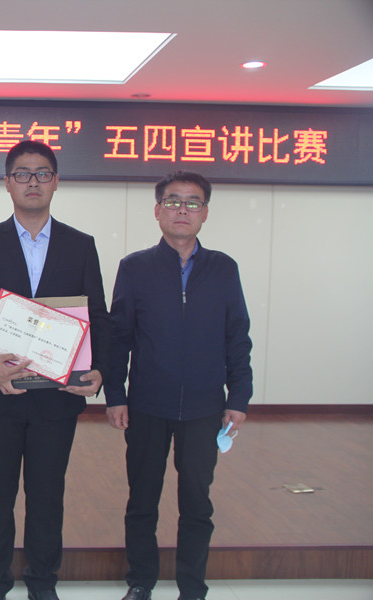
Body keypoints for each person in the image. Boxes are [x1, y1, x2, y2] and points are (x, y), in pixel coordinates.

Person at [0, 140, 111, 600]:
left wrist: (99, 369)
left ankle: (43, 583)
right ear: (8, 183)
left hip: (57, 397)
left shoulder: (81, 245)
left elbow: (97, 316)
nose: (33, 182)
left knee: (47, 496)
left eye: (42, 173)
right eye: (22, 174)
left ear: (56, 181)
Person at [105, 170, 252, 600]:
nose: (182, 210)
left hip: (205, 407)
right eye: (173, 201)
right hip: (147, 404)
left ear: (205, 213)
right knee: (142, 501)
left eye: (192, 202)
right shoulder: (135, 268)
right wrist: (116, 395)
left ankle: (192, 587)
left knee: (197, 504)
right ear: (157, 211)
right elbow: (119, 338)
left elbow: (237, 337)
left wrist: (239, 397)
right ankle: (140, 582)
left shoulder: (223, 269)